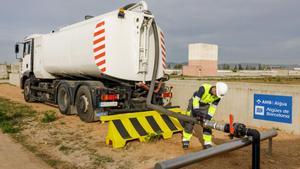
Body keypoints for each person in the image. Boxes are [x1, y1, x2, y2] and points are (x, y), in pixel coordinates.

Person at [182, 82, 228, 149]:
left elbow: (213, 106)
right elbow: (196, 101)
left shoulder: (218, 96)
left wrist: (209, 116)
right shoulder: (203, 88)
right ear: (215, 89)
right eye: (216, 94)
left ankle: (207, 142)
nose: (217, 96)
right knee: (190, 121)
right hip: (194, 102)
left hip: (205, 105)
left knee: (207, 124)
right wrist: (197, 111)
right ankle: (186, 140)